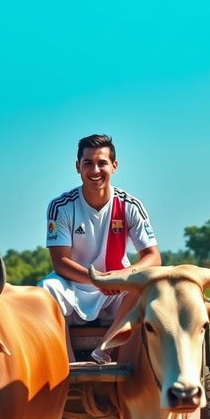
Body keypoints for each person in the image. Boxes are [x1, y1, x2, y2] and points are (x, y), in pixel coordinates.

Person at [39, 133, 161, 325]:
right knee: (47, 288)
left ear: (114, 166)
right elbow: (61, 262)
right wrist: (98, 280)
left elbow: (153, 257)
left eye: (102, 163)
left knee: (145, 289)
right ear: (78, 166)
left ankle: (106, 350)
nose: (95, 170)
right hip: (75, 284)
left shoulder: (130, 205)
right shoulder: (61, 206)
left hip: (118, 286)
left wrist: (120, 276)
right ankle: (67, 355)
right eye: (88, 163)